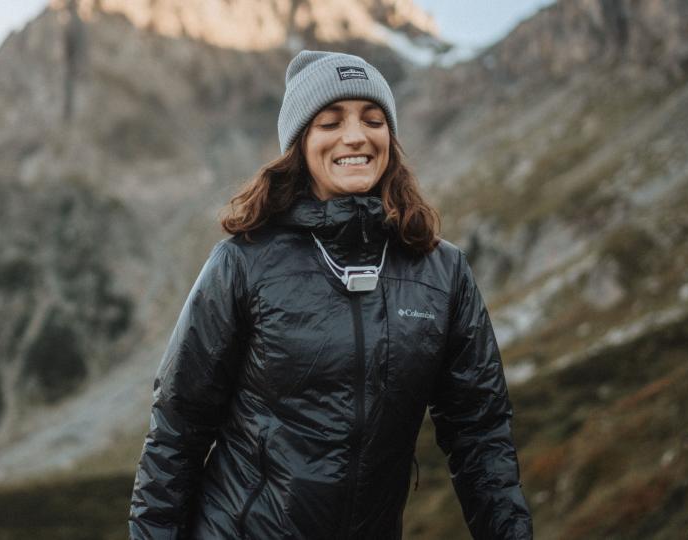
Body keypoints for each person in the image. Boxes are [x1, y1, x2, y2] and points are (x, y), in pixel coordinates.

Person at [129, 50, 532, 539]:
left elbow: (480, 431)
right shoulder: (244, 262)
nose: (356, 136)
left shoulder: (442, 271)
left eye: (374, 119)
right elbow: (178, 428)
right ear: (301, 144)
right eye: (330, 122)